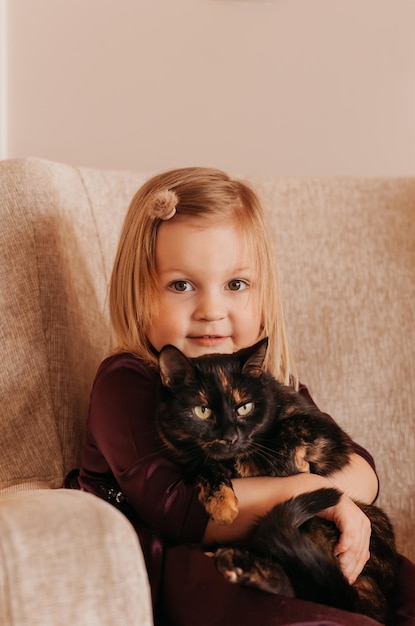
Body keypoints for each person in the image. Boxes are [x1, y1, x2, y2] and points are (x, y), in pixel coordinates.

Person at [69, 167, 415, 625]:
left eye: (236, 285)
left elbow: (362, 470)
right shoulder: (129, 380)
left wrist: (333, 500)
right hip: (188, 567)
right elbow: (179, 510)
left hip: (299, 546)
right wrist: (315, 491)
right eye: (181, 285)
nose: (212, 311)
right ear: (138, 294)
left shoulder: (264, 383)